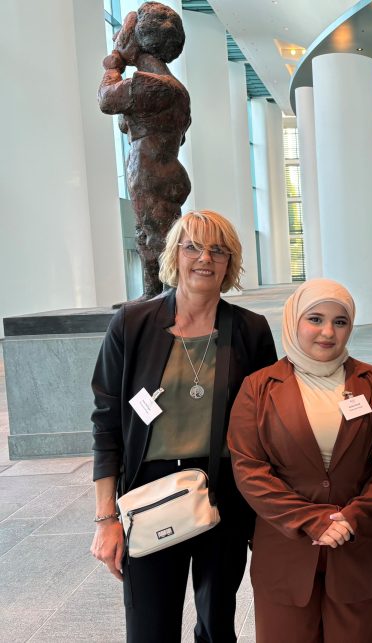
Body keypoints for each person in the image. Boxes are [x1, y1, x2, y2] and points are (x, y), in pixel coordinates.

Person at [90, 210, 277, 643]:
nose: (205, 258)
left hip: (224, 491)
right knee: (150, 626)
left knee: (216, 624)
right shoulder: (132, 325)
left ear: (230, 262)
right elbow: (106, 423)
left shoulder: (249, 330)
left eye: (218, 250)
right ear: (175, 254)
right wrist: (106, 519)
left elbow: (267, 421)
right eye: (193, 246)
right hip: (150, 489)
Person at [228, 278, 372, 643]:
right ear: (294, 321)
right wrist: (311, 519)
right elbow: (249, 469)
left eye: (340, 322)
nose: (327, 332)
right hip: (285, 551)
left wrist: (355, 514)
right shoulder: (258, 387)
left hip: (357, 544)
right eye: (316, 319)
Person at [98, 1, 192, 299]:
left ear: (137, 40)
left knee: (158, 237)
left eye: (124, 34)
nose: (118, 40)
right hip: (156, 168)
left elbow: (106, 99)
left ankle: (166, 299)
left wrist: (113, 64)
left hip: (152, 171)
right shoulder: (172, 88)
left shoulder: (156, 85)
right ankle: (153, 295)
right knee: (149, 234)